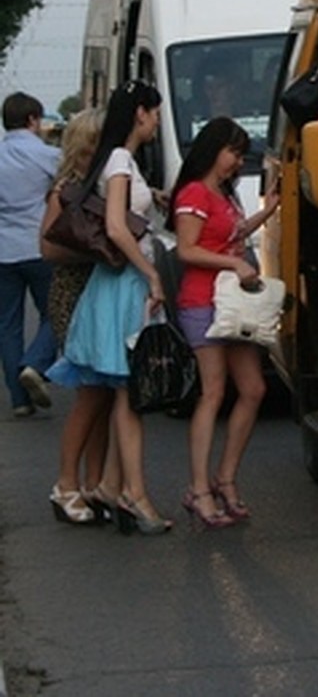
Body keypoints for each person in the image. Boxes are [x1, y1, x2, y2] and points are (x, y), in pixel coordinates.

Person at [46, 80, 172, 535]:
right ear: (140, 113)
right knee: (127, 391)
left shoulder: (119, 160)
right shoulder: (120, 159)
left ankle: (117, 485)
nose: (158, 120)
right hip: (125, 286)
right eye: (155, 112)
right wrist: (151, 272)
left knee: (123, 390)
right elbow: (118, 228)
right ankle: (130, 492)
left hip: (118, 285)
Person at [168, 116, 280, 530]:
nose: (237, 161)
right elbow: (187, 250)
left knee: (252, 388)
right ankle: (200, 488)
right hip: (203, 301)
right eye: (233, 151)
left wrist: (266, 212)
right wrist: (232, 262)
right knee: (213, 392)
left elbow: (230, 234)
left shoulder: (222, 194)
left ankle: (225, 477)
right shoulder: (195, 193)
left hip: (233, 303)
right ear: (213, 149)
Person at [39, 107, 117, 525]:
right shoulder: (67, 189)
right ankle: (66, 483)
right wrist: (97, 249)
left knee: (103, 393)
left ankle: (93, 481)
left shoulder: (101, 186)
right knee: (90, 391)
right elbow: (48, 248)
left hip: (99, 294)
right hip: (75, 294)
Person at [0, 92, 61, 419]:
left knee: (7, 324)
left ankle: (19, 399)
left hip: (2, 251)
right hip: (39, 246)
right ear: (32, 120)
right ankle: (36, 364)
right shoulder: (48, 155)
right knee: (55, 313)